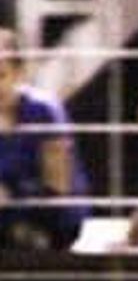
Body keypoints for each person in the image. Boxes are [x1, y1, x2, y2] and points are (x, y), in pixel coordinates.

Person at [0, 30, 88, 251]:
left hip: (52, 220)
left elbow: (57, 189)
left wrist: (11, 196)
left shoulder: (43, 111)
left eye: (0, 75)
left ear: (19, 73)